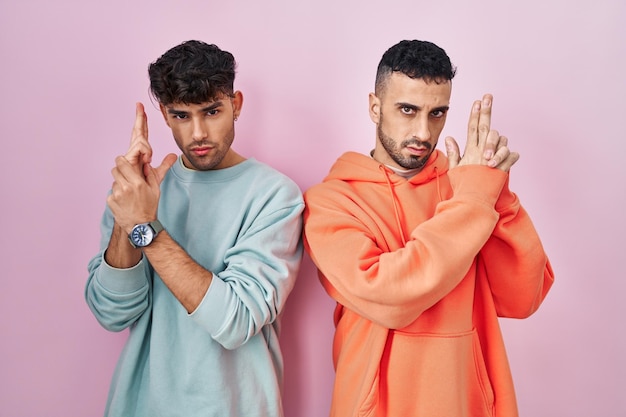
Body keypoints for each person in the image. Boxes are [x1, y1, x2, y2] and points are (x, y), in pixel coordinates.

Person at [303, 39, 554, 417]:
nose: (423, 131)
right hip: (375, 407)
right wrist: (472, 202)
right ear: (375, 107)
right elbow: (390, 295)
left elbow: (523, 297)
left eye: (437, 113)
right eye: (408, 110)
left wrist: (494, 194)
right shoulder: (330, 203)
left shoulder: (467, 185)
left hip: (465, 400)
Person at [85, 40, 304, 417]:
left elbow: (236, 320)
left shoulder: (275, 195)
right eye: (182, 115)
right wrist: (129, 213)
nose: (198, 133)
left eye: (212, 111)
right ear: (164, 115)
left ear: (236, 105)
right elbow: (111, 312)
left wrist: (144, 226)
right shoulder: (136, 193)